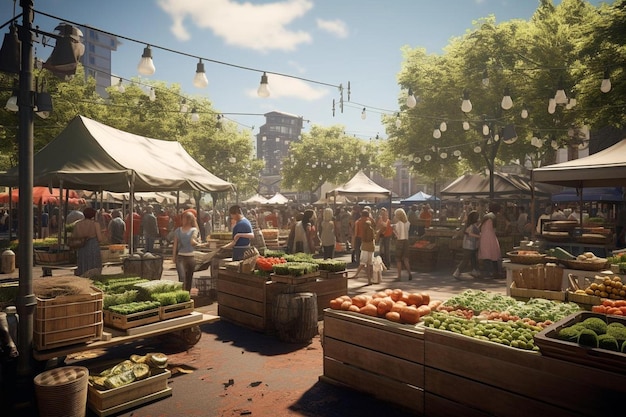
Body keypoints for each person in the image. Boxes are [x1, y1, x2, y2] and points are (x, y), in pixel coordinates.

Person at [173, 211, 201, 291]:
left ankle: (187, 295)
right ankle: (182, 294)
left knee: (189, 278)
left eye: (184, 218)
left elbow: (195, 241)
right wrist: (174, 256)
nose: (182, 220)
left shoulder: (194, 230)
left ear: (189, 220)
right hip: (181, 256)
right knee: (182, 277)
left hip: (191, 257)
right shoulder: (178, 230)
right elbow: (175, 244)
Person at [73, 207, 103, 277]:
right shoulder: (95, 224)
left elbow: (74, 236)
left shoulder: (78, 224)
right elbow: (100, 238)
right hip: (93, 247)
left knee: (83, 264)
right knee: (93, 264)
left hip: (82, 247)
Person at [453, 210, 481, 279]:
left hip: (472, 245)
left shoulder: (472, 225)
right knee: (466, 259)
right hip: (469, 245)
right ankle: (457, 272)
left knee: (473, 258)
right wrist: (479, 236)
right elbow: (469, 233)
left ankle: (475, 271)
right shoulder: (471, 226)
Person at [351, 210, 376, 284]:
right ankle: (370, 278)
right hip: (371, 245)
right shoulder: (370, 223)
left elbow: (355, 233)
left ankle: (357, 274)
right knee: (370, 263)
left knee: (362, 261)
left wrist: (353, 241)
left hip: (362, 242)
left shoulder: (358, 222)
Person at [479, 202, 502, 279]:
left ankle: (489, 272)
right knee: (494, 254)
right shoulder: (494, 217)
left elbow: (480, 226)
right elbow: (494, 229)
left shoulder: (487, 216)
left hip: (484, 236)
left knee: (487, 254)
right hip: (491, 236)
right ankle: (495, 272)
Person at [392, 208, 412, 281]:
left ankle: (399, 276)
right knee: (406, 259)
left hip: (400, 241)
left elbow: (398, 235)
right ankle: (409, 273)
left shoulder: (397, 224)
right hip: (406, 241)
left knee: (398, 259)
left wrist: (394, 231)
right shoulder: (408, 223)